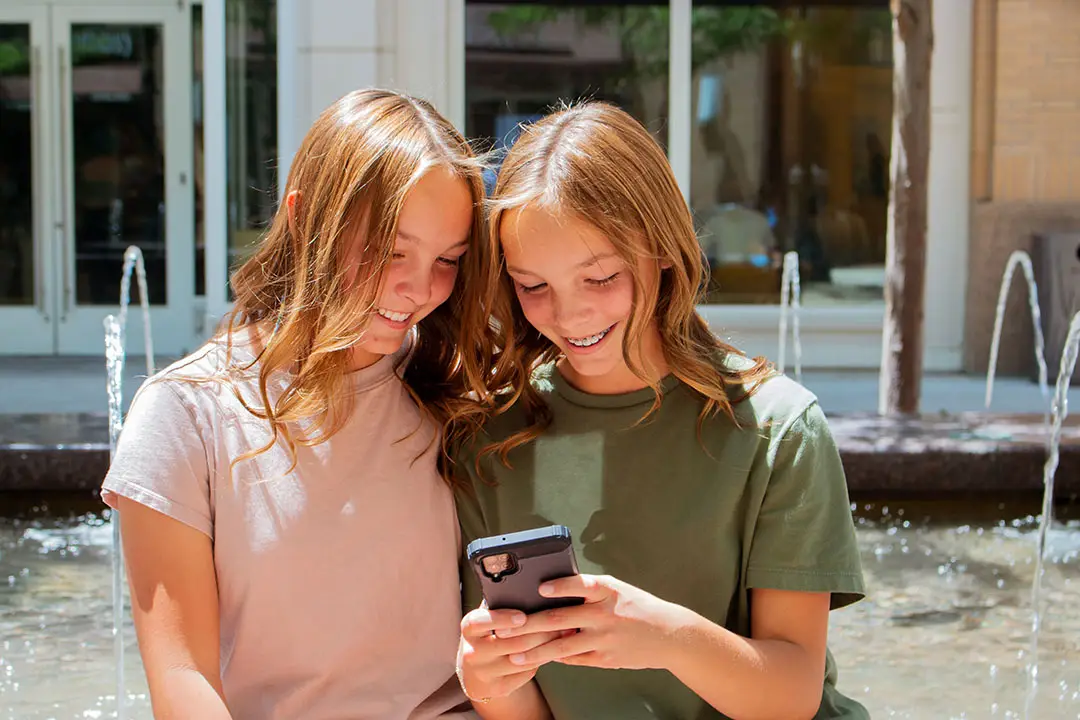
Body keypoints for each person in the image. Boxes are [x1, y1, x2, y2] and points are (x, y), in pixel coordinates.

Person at [453, 102, 868, 719]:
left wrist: (665, 638)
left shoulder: (779, 430)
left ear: (664, 247)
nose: (570, 316)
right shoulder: (488, 436)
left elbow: (792, 694)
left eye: (600, 277)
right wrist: (486, 678)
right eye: (533, 285)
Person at [101, 89, 499, 719]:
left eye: (448, 260)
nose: (419, 288)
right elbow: (181, 679)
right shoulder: (184, 415)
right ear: (305, 218)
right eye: (392, 252)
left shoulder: (456, 392)